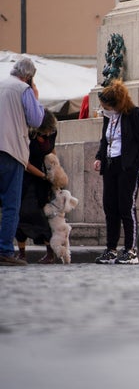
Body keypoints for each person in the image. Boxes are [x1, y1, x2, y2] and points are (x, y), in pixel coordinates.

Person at [93, 80, 139, 264]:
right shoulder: (108, 116)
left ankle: (131, 250)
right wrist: (99, 157)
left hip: (128, 166)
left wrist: (138, 163)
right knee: (110, 206)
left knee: (126, 207)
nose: (104, 109)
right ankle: (111, 248)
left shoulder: (134, 114)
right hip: (110, 164)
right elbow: (105, 139)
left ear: (117, 104)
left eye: (107, 106)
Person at [0, 57, 44, 266]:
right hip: (11, 150)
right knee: (11, 204)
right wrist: (35, 97)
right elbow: (36, 120)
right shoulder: (23, 90)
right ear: (28, 77)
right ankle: (5, 251)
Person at [15, 109, 58, 263]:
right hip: (27, 176)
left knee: (42, 213)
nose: (46, 136)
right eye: (43, 133)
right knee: (22, 213)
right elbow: (25, 162)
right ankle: (21, 252)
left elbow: (52, 152)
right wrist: (42, 175)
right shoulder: (28, 136)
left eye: (48, 133)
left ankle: (50, 252)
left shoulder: (51, 132)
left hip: (43, 178)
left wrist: (54, 171)